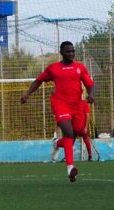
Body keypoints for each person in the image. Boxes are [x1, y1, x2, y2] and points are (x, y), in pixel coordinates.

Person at [21, 41, 95, 182]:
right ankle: (70, 168)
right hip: (60, 104)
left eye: (72, 51)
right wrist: (27, 94)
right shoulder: (54, 68)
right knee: (68, 133)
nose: (71, 53)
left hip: (77, 105)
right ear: (61, 52)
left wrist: (91, 95)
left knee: (76, 132)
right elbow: (38, 80)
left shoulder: (80, 68)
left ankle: (56, 144)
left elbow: (90, 84)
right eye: (68, 51)